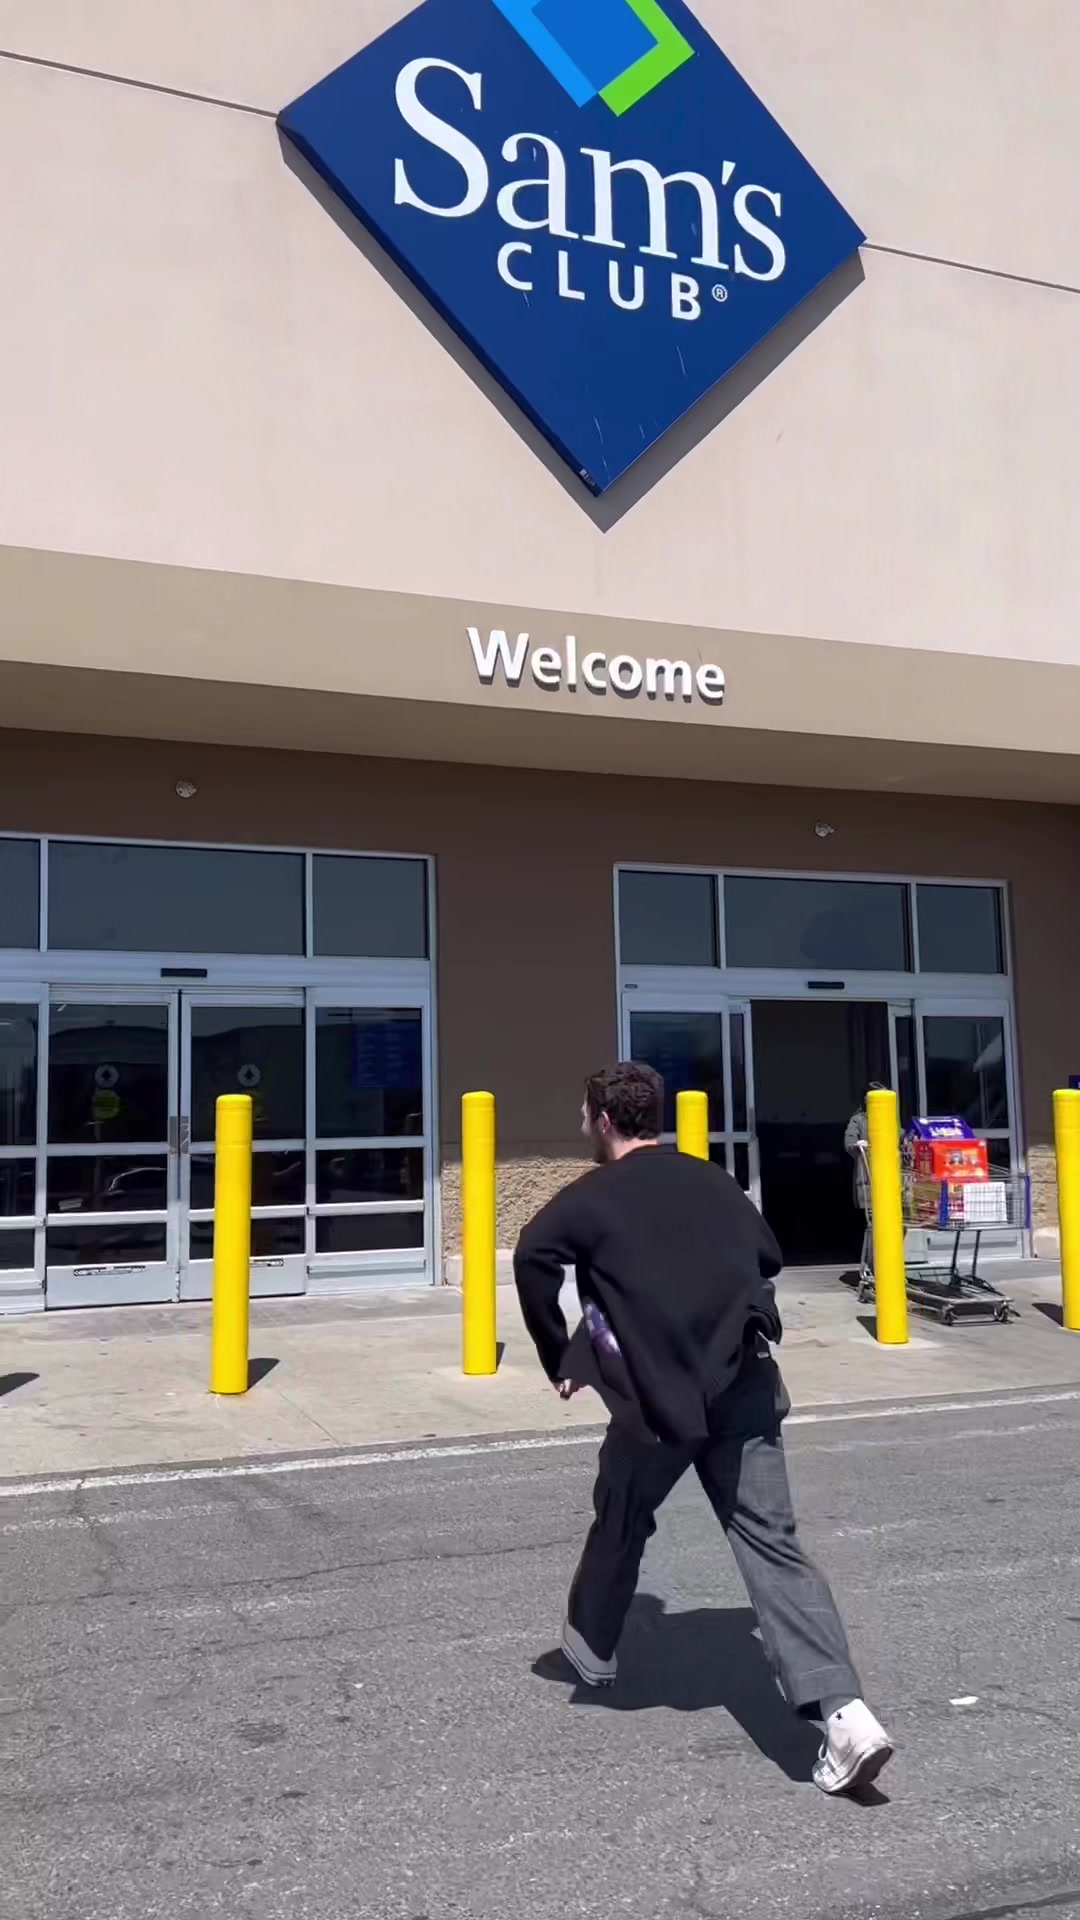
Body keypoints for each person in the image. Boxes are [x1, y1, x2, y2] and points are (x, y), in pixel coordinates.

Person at [513, 1061, 893, 1797]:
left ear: (602, 1119)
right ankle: (845, 1715)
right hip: (742, 1384)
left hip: (656, 1404)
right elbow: (767, 1254)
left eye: (583, 1114)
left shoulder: (590, 1197)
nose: (581, 1124)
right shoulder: (714, 1181)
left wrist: (560, 1350)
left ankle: (592, 1646)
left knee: (623, 1510)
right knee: (772, 1544)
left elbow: (533, 1255)